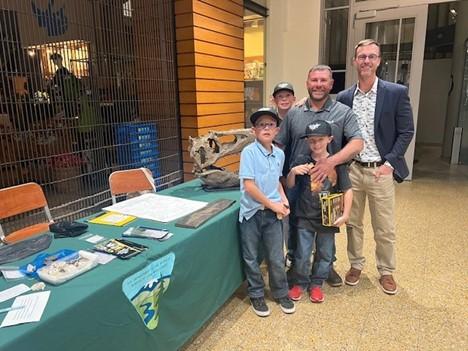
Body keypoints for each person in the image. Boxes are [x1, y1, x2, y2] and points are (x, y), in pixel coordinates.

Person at [336, 39, 414, 295]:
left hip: (381, 169)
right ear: (355, 61)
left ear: (379, 60)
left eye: (371, 56)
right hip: (354, 170)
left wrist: (391, 162)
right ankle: (356, 265)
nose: (366, 61)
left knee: (384, 226)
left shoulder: (396, 92)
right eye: (362, 57)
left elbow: (406, 131)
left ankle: (386, 271)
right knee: (353, 223)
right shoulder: (345, 97)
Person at [276, 65, 363, 286]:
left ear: (331, 84)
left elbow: (357, 143)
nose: (318, 84)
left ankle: (326, 267)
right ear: (307, 83)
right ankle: (297, 269)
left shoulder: (343, 112)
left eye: (323, 80)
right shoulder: (295, 113)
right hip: (297, 185)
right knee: (297, 229)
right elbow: (279, 143)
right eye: (314, 80)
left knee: (327, 231)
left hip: (329, 186)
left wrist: (330, 162)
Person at [286, 120, 353, 303]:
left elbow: (347, 189)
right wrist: (293, 172)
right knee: (302, 253)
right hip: (304, 216)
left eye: (320, 140)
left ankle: (317, 284)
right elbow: (290, 185)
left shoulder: (337, 163)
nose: (315, 144)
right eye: (311, 141)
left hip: (328, 217)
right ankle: (300, 283)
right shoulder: (302, 159)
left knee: (325, 253)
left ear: (329, 139)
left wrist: (346, 214)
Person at [239, 107, 295, 317]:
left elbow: (277, 183)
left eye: (270, 124)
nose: (266, 128)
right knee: (251, 256)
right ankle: (256, 294)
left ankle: (281, 292)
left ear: (277, 130)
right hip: (252, 213)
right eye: (261, 125)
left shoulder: (279, 154)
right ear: (254, 130)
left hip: (273, 215)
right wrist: (273, 205)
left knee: (276, 255)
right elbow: (250, 187)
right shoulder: (249, 152)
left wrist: (284, 198)